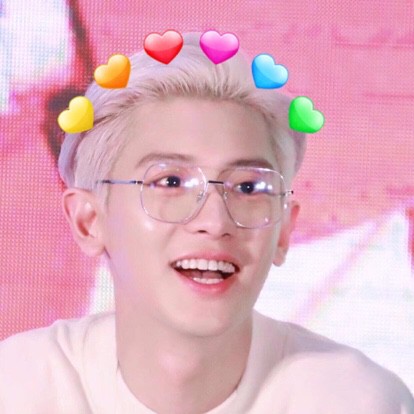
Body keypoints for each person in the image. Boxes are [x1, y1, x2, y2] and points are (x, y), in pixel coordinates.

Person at [0, 32, 413, 414]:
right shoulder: (18, 389)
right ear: (89, 221)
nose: (214, 222)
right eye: (170, 182)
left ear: (284, 230)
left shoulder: (357, 400)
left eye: (248, 187)